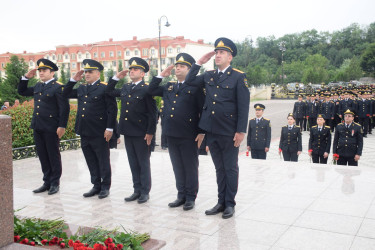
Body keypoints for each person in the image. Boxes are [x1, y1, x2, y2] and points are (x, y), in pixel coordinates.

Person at [184, 37, 250, 219]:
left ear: (230, 57)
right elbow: (189, 82)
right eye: (216, 52)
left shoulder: (238, 76)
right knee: (219, 168)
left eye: (222, 52)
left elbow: (243, 106)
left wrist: (240, 131)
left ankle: (230, 203)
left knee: (230, 168)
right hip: (211, 130)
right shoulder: (209, 75)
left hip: (229, 131)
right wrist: (199, 63)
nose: (218, 55)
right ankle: (221, 202)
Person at [148, 53, 205, 210]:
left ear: (189, 69)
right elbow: (151, 90)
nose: (177, 68)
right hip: (171, 133)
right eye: (177, 66)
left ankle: (191, 197)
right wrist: (161, 76)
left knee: (190, 166)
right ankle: (181, 195)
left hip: (189, 134)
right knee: (177, 166)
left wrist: (201, 132)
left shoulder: (195, 87)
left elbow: (202, 110)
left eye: (182, 66)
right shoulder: (169, 86)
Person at [63, 59, 117, 199]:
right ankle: (96, 185)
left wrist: (110, 128)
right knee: (90, 159)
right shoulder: (81, 88)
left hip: (100, 131)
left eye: (90, 72)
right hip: (84, 130)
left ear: (98, 73)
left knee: (102, 159)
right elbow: (65, 93)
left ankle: (105, 186)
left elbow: (112, 110)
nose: (86, 74)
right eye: (85, 72)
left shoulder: (104, 88)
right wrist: (73, 80)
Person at [106, 57, 157, 204]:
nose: (131, 71)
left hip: (142, 132)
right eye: (131, 69)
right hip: (128, 130)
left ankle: (145, 192)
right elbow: (109, 91)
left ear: (142, 74)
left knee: (143, 162)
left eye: (135, 69)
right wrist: (116, 78)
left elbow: (152, 113)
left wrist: (150, 132)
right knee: (133, 162)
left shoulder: (147, 89)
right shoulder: (126, 87)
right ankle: (136, 190)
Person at [18, 59, 69, 195]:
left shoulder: (59, 87)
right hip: (38, 126)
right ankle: (46, 182)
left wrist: (62, 126)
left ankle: (54, 183)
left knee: (53, 155)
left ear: (52, 73)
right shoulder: (38, 86)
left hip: (52, 127)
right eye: (39, 71)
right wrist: (25, 78)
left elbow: (64, 109)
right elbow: (22, 91)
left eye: (44, 70)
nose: (41, 73)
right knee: (42, 155)